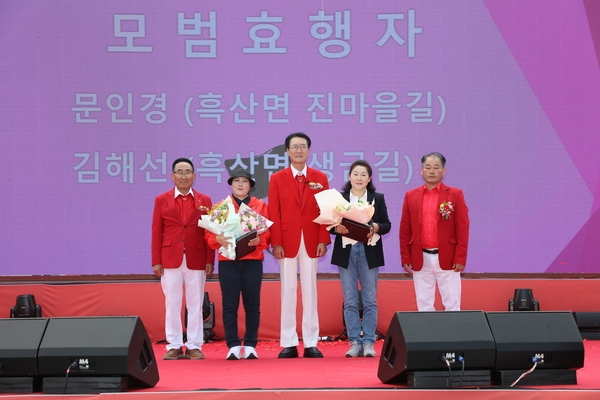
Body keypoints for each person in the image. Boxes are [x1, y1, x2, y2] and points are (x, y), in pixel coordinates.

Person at [268, 132, 331, 359]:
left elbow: (325, 209)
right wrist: (276, 242)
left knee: (310, 290)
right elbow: (273, 211)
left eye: (302, 146)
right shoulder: (277, 178)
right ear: (287, 151)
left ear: (309, 150)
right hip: (286, 241)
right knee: (288, 290)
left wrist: (324, 239)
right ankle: (288, 342)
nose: (298, 150)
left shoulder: (320, 177)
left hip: (313, 240)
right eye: (294, 147)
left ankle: (311, 342)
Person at [151, 157, 215, 360]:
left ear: (194, 176)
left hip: (196, 257)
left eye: (188, 172)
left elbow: (209, 231)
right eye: (179, 171)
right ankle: (175, 345)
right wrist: (156, 261)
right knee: (172, 302)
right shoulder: (162, 199)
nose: (184, 175)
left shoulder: (205, 200)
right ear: (172, 176)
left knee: (195, 303)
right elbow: (156, 231)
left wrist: (209, 260)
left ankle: (195, 345)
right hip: (170, 257)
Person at [205, 169, 270, 360]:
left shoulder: (260, 206)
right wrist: (216, 238)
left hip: (252, 262)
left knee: (252, 305)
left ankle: (250, 344)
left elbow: (267, 233)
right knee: (229, 305)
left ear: (250, 186)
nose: (240, 185)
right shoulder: (221, 207)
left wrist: (261, 241)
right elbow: (209, 234)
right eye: (236, 181)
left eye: (244, 181)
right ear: (231, 185)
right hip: (228, 262)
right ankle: (232, 345)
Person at [330, 160, 391, 358]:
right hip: (346, 252)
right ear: (349, 177)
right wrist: (335, 228)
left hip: (369, 252)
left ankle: (369, 342)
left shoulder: (377, 198)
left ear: (369, 178)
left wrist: (375, 228)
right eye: (355, 174)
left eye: (363, 174)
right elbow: (330, 224)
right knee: (349, 300)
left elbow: (386, 224)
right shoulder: (340, 198)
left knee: (370, 299)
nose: (359, 178)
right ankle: (354, 341)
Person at [399, 152, 470, 311]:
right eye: (427, 167)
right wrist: (405, 256)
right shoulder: (411, 196)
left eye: (436, 167)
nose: (431, 171)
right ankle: (428, 335)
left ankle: (453, 335)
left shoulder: (455, 194)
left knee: (452, 303)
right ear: (421, 170)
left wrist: (460, 256)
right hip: (420, 256)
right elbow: (405, 229)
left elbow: (463, 228)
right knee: (424, 304)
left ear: (443, 171)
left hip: (448, 257)